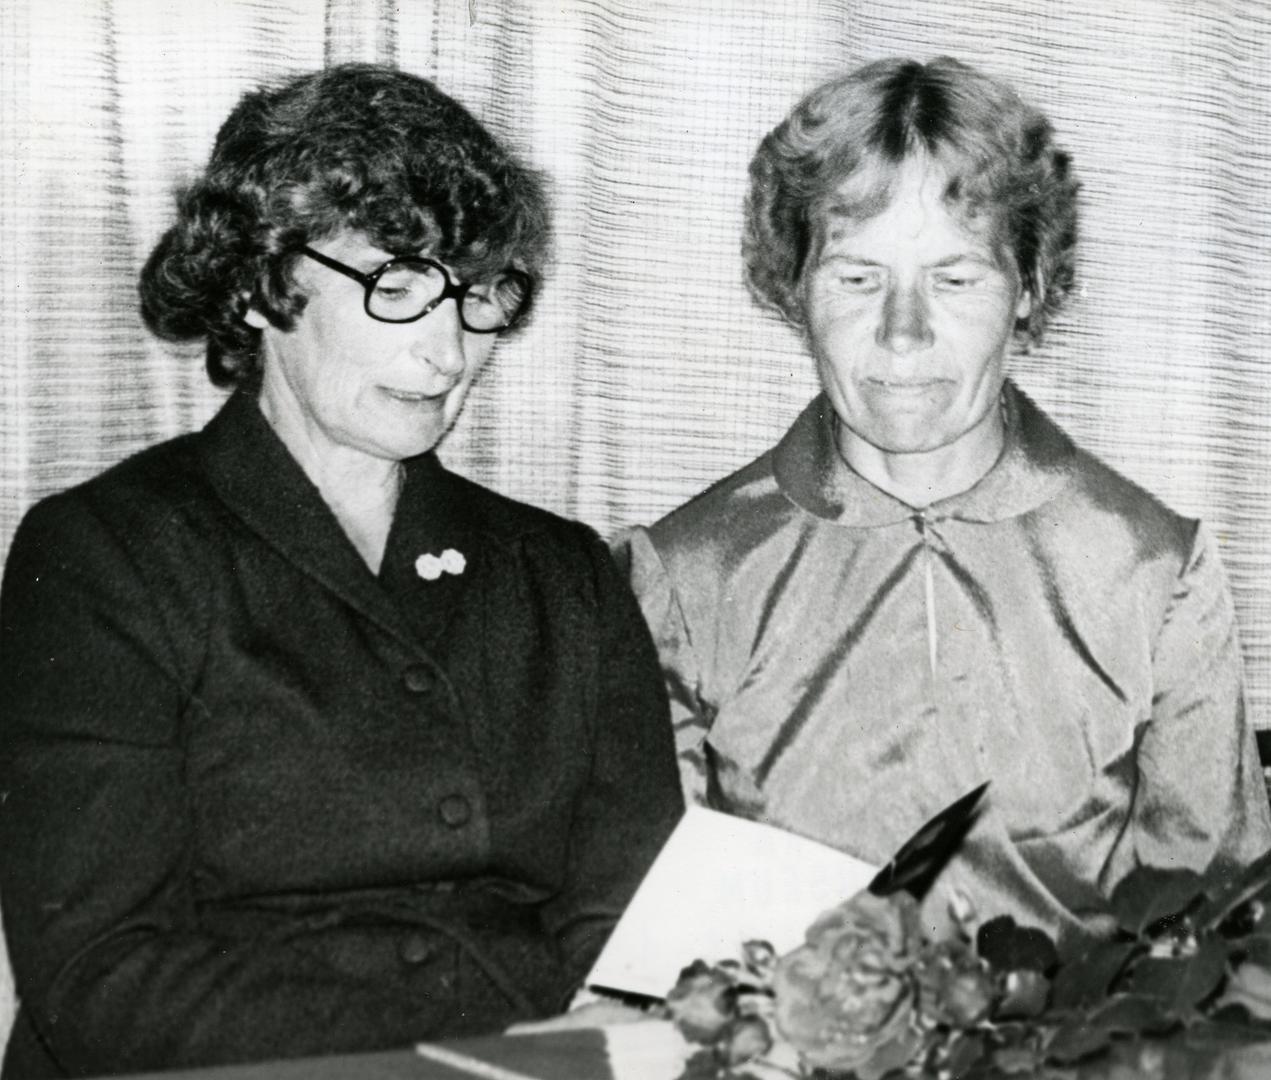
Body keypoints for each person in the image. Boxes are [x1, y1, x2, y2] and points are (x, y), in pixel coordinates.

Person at [0, 63, 682, 1077]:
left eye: (475, 295)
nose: (448, 352)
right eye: (395, 288)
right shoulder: (108, 555)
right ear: (259, 285)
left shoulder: (562, 575)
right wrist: (461, 1062)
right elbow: (104, 975)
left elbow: (630, 934)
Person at [622, 57, 1271, 948]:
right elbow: (663, 952)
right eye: (856, 278)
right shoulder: (681, 577)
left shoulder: (1155, 571)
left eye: (955, 279)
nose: (902, 333)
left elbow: (1216, 934)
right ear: (795, 291)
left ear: (1028, 288)